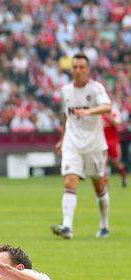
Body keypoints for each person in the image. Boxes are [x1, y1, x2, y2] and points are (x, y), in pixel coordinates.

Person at [52, 53, 112, 239]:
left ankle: (104, 224)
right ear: (71, 69)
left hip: (94, 144)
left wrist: (88, 112)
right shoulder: (65, 91)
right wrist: (62, 139)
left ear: (87, 69)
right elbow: (65, 117)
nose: (78, 70)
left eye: (81, 67)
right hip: (72, 143)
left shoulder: (96, 88)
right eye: (75, 67)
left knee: (98, 185)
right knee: (69, 181)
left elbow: (107, 107)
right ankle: (67, 227)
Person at [102, 106, 127, 187]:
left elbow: (117, 123)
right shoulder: (100, 115)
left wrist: (110, 117)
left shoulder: (113, 114)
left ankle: (123, 177)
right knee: (103, 163)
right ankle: (105, 183)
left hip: (113, 142)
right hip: (103, 142)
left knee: (116, 163)